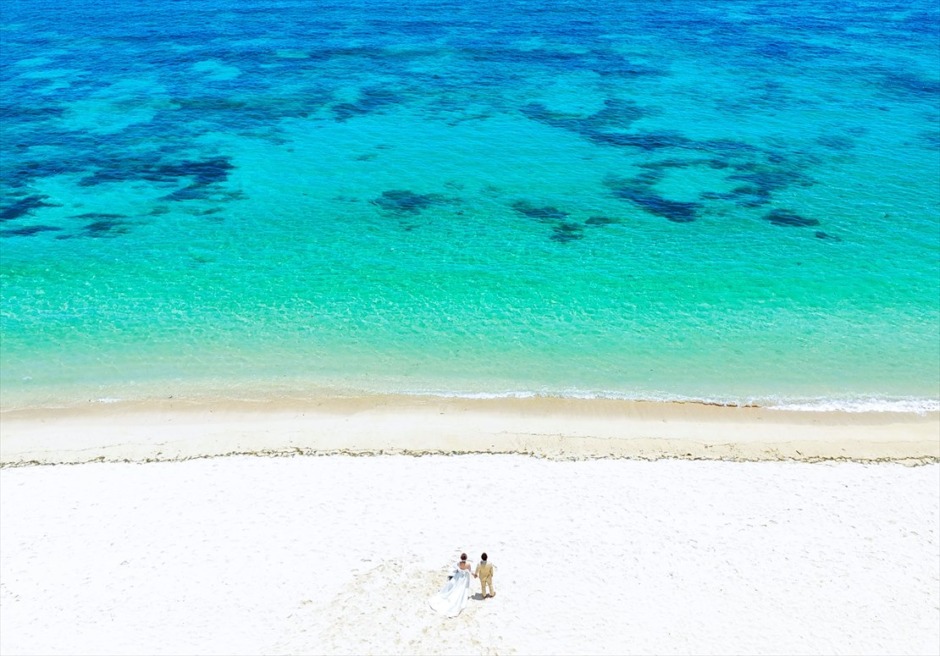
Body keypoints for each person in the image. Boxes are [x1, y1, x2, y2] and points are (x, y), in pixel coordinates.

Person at [428, 552, 473, 617]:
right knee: (462, 588)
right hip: (464, 578)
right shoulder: (468, 564)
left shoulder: (458, 563)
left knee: (456, 587)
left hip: (458, 576)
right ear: (466, 558)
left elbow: (456, 568)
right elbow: (470, 571)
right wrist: (474, 574)